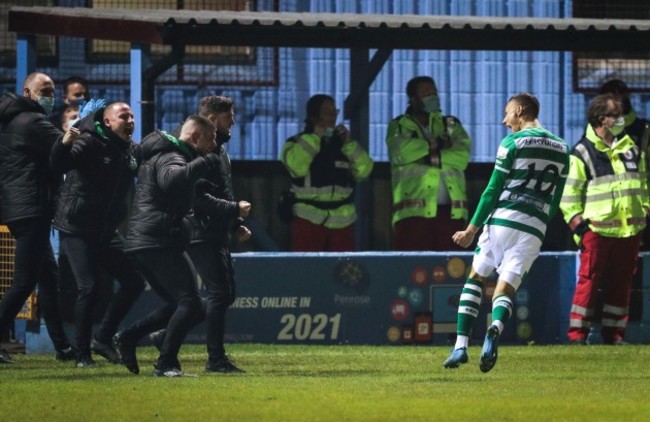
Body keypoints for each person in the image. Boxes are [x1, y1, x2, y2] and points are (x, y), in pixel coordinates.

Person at [443, 93, 569, 372]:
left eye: (508, 113)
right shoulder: (562, 147)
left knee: (476, 277)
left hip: (503, 220)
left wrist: (471, 229)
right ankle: (495, 328)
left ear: (520, 111)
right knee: (505, 290)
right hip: (533, 228)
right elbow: (556, 198)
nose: (504, 120)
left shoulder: (512, 143)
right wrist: (539, 223)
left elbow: (492, 189)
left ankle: (460, 346)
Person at [114, 115, 220, 377]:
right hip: (155, 241)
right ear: (195, 137)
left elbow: (171, 188)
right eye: (211, 138)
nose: (215, 144)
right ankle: (166, 363)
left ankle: (130, 337)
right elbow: (172, 180)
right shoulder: (172, 155)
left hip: (150, 239)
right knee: (190, 302)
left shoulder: (172, 154)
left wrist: (197, 184)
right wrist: (205, 163)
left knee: (185, 304)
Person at [49, 101, 146, 368]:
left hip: (104, 230)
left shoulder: (129, 150)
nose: (130, 120)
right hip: (76, 227)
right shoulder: (89, 142)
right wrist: (65, 141)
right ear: (107, 122)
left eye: (132, 116)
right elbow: (59, 164)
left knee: (134, 281)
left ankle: (102, 338)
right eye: (123, 116)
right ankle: (82, 355)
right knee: (88, 287)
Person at [560, 94, 649, 346]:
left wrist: (645, 211)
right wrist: (582, 230)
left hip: (630, 231)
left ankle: (614, 336)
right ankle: (577, 337)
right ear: (602, 119)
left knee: (622, 285)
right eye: (616, 115)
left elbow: (644, 185)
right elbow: (568, 198)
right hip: (596, 232)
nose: (622, 119)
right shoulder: (581, 153)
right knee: (588, 283)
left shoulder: (632, 149)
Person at [0, 72, 76, 364]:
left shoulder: (9, 120)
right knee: (25, 281)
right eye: (45, 89)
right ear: (28, 93)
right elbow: (65, 151)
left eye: (53, 89)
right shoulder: (33, 122)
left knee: (48, 277)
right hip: (31, 207)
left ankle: (63, 348)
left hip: (18, 206)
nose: (51, 94)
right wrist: (73, 136)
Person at [386, 76, 471, 251]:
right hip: (412, 215)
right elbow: (401, 152)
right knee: (413, 272)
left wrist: (425, 156)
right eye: (426, 94)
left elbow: (462, 157)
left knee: (451, 272)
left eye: (434, 93)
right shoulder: (399, 126)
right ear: (413, 99)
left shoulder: (451, 125)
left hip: (451, 213)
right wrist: (438, 146)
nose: (432, 97)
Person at [280, 94, 373, 251]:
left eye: (334, 111)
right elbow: (297, 167)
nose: (331, 116)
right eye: (326, 112)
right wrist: (315, 136)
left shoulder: (344, 145)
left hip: (343, 221)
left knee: (342, 272)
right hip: (308, 219)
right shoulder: (295, 143)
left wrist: (348, 144)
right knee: (309, 270)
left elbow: (364, 170)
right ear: (313, 115)